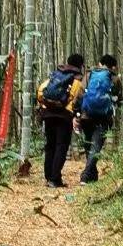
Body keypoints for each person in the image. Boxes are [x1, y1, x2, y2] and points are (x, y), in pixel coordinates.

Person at [36, 53, 85, 188]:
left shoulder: (56, 74)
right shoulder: (77, 80)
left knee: (50, 145)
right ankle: (54, 179)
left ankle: (48, 177)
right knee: (61, 147)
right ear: (80, 65)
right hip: (64, 116)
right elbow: (78, 98)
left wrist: (46, 105)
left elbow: (40, 91)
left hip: (49, 114)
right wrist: (76, 113)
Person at [78, 54, 122, 184]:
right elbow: (119, 99)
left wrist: (77, 113)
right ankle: (86, 176)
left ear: (99, 63)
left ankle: (92, 175)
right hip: (103, 118)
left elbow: (80, 93)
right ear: (113, 66)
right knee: (96, 147)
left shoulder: (89, 74)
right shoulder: (114, 78)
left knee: (89, 146)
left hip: (86, 116)